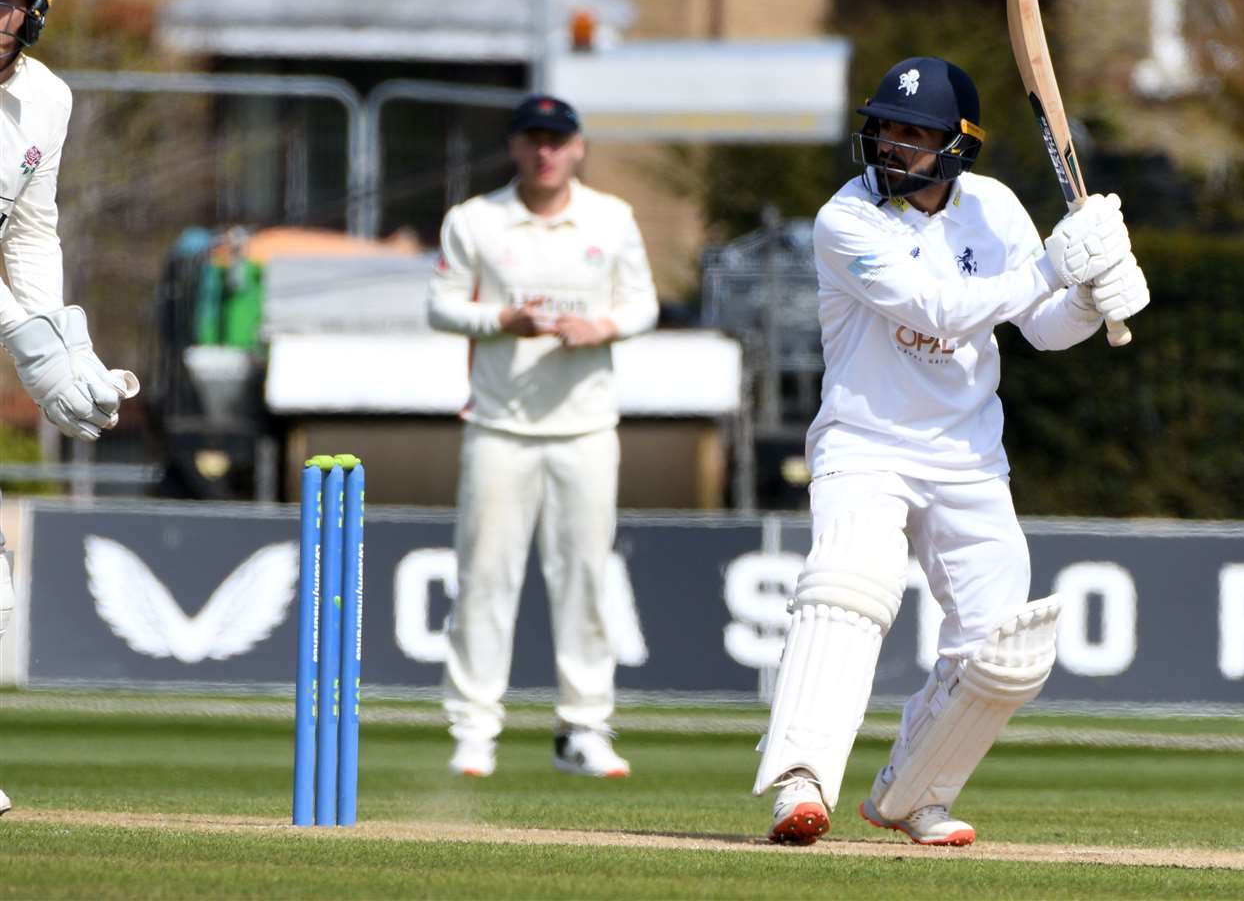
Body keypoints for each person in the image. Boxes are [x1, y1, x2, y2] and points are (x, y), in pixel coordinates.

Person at [755, 57, 1148, 846]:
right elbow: (938, 308)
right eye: (887, 128)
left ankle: (914, 794)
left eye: (915, 134)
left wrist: (1088, 290)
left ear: (956, 146)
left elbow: (1041, 328)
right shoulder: (847, 222)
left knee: (1006, 648)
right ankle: (799, 780)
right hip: (867, 443)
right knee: (849, 586)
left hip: (968, 455)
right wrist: (1050, 266)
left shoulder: (994, 208)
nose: (893, 146)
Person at [427, 94, 659, 780]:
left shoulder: (611, 219)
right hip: (499, 426)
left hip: (586, 425)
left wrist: (602, 327)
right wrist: (503, 320)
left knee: (585, 578)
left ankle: (583, 729)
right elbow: (439, 305)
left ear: (578, 147)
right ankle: (475, 730)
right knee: (485, 579)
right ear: (515, 146)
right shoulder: (476, 220)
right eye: (533, 139)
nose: (545, 152)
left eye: (557, 140)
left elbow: (642, 301)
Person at [0, 0, 141, 817]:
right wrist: (30, 343)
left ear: (32, 11)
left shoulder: (46, 101)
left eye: (5, 3)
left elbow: (30, 228)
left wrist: (63, 336)